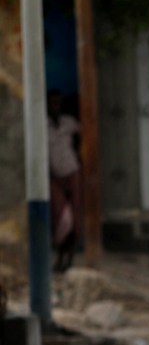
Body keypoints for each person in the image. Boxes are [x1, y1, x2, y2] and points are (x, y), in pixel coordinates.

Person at [47, 90, 81, 272]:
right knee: (61, 218)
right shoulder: (43, 125)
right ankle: (60, 256)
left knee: (74, 217)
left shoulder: (69, 122)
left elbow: (85, 135)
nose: (56, 106)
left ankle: (70, 259)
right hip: (55, 176)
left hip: (72, 171)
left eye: (58, 103)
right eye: (52, 103)